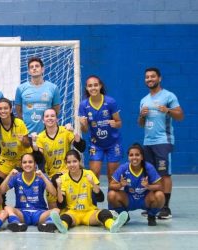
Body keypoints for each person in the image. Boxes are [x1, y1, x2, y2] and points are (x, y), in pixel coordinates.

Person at [138, 67, 183, 219]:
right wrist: (142, 116)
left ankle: (165, 207)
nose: (149, 79)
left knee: (164, 174)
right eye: (147, 77)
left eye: (152, 77)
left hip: (163, 141)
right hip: (148, 142)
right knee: (151, 173)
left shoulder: (169, 96)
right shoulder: (144, 100)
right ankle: (154, 205)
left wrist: (167, 110)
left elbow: (180, 115)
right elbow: (141, 123)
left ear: (159, 78)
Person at [50, 150, 128, 234]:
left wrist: (93, 183)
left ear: (79, 161)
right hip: (73, 213)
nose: (72, 164)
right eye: (69, 162)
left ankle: (112, 225)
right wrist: (58, 187)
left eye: (74, 161)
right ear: (66, 163)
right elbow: (61, 204)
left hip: (89, 212)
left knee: (104, 213)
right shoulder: (63, 179)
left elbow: (101, 198)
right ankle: (62, 227)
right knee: (65, 217)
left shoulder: (89, 174)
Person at [32, 108, 85, 209]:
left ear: (57, 119)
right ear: (43, 120)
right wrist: (34, 144)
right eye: (47, 116)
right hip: (51, 175)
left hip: (68, 171)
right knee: (53, 209)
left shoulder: (65, 131)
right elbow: (39, 159)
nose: (50, 118)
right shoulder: (40, 137)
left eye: (52, 116)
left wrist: (74, 131)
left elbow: (81, 147)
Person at [0, 98, 32, 209]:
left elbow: (28, 145)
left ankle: (27, 208)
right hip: (6, 158)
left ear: (10, 109)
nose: (3, 111)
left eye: (5, 108)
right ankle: (0, 210)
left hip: (22, 159)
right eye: (0, 109)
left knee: (23, 184)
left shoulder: (19, 123)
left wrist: (23, 140)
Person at [107, 143, 165, 226]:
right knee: (111, 195)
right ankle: (124, 216)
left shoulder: (149, 167)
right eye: (131, 155)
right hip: (129, 199)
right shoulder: (123, 168)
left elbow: (160, 186)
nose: (134, 157)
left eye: (137, 155)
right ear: (128, 157)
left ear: (142, 157)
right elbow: (111, 185)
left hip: (145, 199)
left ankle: (151, 216)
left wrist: (148, 186)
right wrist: (120, 185)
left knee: (160, 195)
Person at [79, 75, 123, 182]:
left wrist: (115, 123)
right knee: (94, 174)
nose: (93, 88)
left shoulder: (110, 102)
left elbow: (119, 123)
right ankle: (93, 198)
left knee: (112, 176)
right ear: (86, 88)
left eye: (95, 85)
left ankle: (112, 198)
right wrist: (83, 124)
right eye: (90, 86)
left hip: (113, 143)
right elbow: (84, 131)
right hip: (96, 144)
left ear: (100, 86)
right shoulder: (83, 105)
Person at [0, 153, 58, 232]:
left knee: (56, 210)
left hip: (39, 213)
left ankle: (48, 225)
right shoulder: (16, 177)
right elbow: (1, 191)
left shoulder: (41, 176)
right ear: (21, 164)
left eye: (30, 162)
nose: (27, 164)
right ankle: (15, 223)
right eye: (25, 162)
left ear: (35, 164)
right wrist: (9, 175)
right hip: (22, 213)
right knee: (7, 208)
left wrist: (43, 177)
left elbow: (54, 193)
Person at [15, 57, 61, 135]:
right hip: (27, 133)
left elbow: (56, 110)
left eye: (37, 66)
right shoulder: (21, 88)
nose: (34, 68)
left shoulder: (53, 88)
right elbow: (19, 111)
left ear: (42, 69)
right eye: (31, 67)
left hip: (47, 134)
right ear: (29, 71)